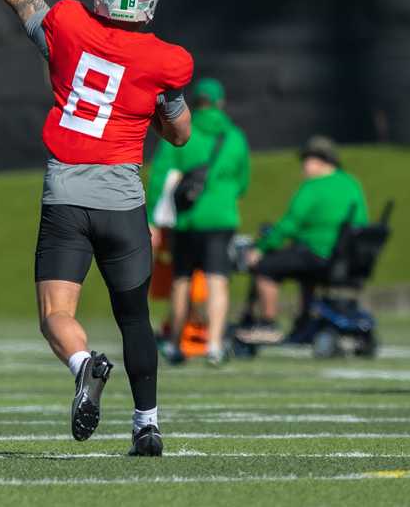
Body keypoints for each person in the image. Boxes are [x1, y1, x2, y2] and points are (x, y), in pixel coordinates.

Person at [0, 0, 193, 457]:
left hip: (66, 190)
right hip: (122, 197)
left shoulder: (67, 25)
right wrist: (156, 106)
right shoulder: (167, 60)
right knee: (135, 317)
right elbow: (180, 134)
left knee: (56, 314)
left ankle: (84, 363)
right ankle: (147, 424)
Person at [146, 77, 250, 366]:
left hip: (188, 219)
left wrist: (153, 215)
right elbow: (243, 181)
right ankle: (214, 345)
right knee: (218, 280)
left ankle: (175, 343)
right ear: (220, 102)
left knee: (181, 280)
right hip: (222, 217)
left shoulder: (184, 130)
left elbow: (160, 176)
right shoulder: (235, 136)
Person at [237, 136, 367, 344]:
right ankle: (305, 322)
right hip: (345, 259)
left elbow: (289, 224)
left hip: (318, 254)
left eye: (306, 161)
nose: (303, 167)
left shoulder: (313, 187)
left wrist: (262, 248)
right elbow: (361, 221)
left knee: (265, 267)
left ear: (319, 161)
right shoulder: (352, 184)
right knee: (303, 270)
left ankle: (268, 324)